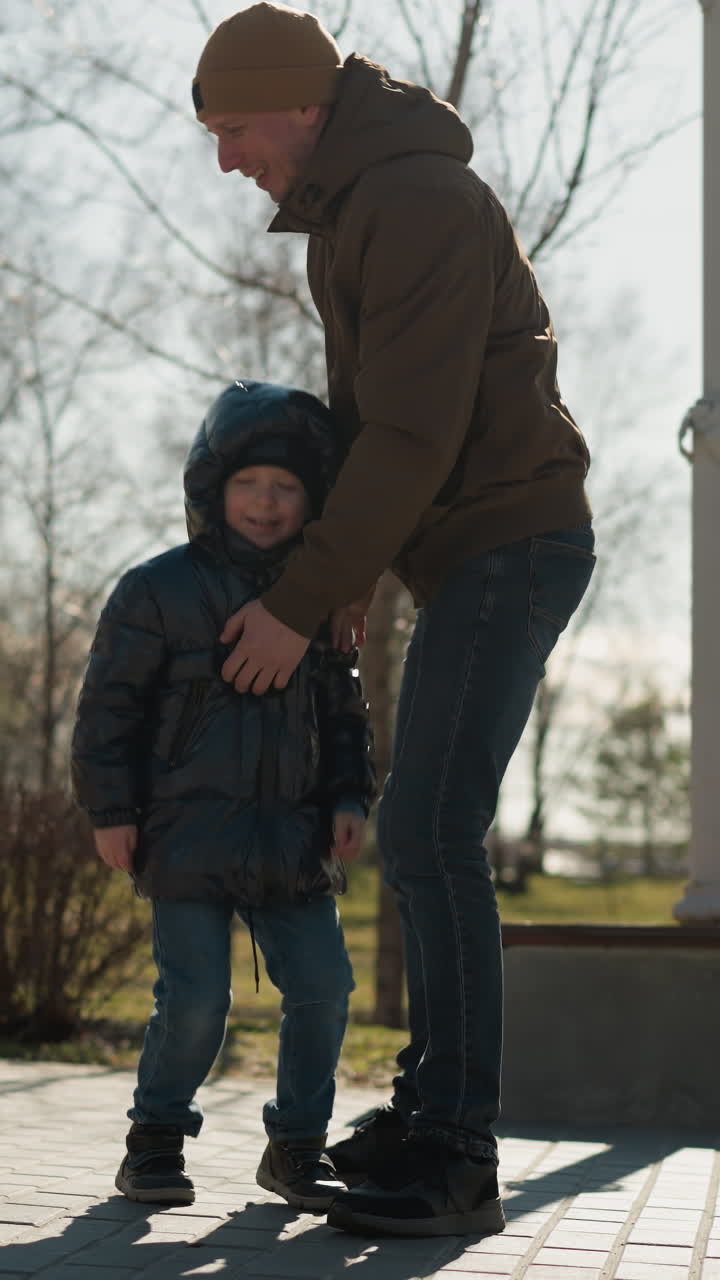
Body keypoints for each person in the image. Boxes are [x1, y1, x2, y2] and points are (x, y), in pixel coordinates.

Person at [192, 3, 596, 1238]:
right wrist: (360, 569)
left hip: (507, 540)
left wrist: (303, 597)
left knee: (429, 827)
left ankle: (457, 1148)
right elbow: (379, 424)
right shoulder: (359, 207)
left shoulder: (409, 198)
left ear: (303, 106)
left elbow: (415, 435)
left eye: (234, 128)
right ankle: (429, 1111)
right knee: (426, 830)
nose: (226, 158)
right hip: (466, 544)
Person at [71, 379, 376, 1212]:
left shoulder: (319, 600)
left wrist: (350, 795)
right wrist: (110, 810)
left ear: (310, 497)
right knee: (196, 999)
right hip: (182, 834)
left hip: (294, 838)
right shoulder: (156, 589)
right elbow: (108, 710)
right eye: (249, 484)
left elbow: (345, 711)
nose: (267, 503)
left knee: (324, 988)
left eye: (286, 487)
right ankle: (155, 1142)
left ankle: (297, 1148)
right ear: (214, 490)